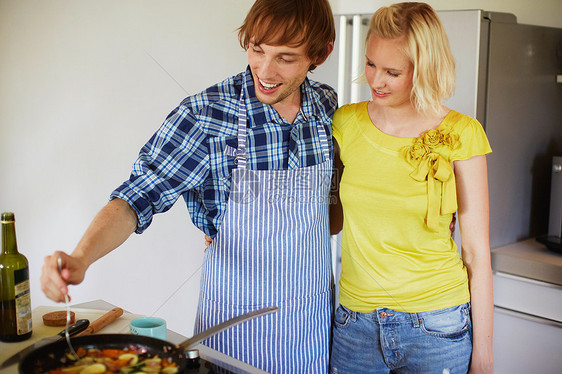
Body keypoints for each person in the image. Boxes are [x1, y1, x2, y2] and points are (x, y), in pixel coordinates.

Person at [40, 0, 337, 372]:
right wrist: (80, 257)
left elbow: (330, 207)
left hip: (310, 324)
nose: (264, 69)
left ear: (320, 55)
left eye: (285, 58)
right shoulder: (205, 115)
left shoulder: (327, 107)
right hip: (237, 331)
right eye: (257, 49)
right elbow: (135, 198)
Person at [329, 2, 494, 373]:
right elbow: (329, 214)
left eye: (392, 71)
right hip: (355, 325)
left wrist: (484, 356)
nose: (375, 80)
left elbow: (476, 253)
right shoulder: (345, 123)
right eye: (371, 64)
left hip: (437, 325)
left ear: (424, 70)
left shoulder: (462, 134)